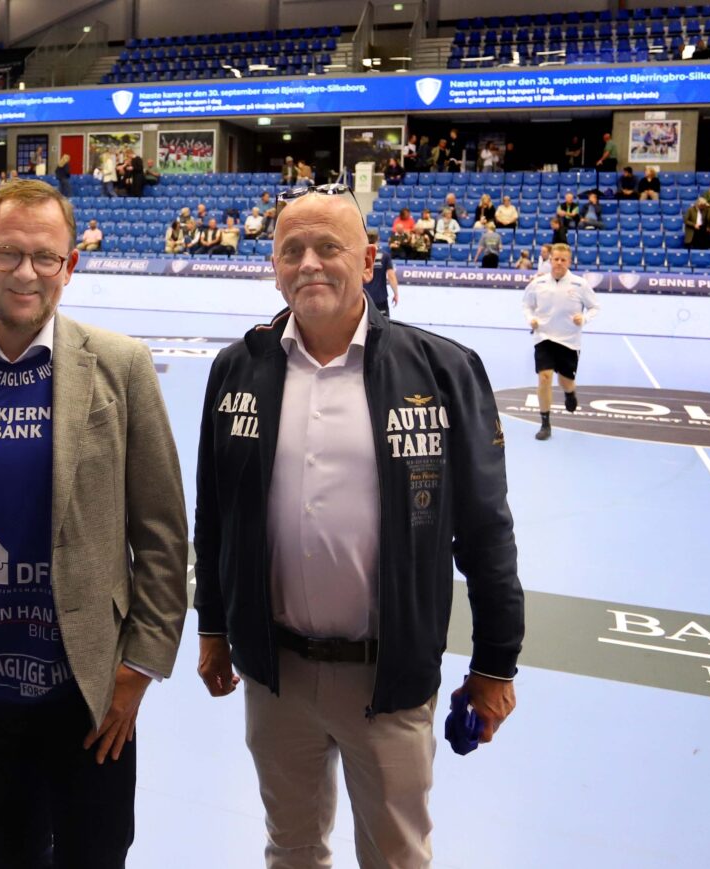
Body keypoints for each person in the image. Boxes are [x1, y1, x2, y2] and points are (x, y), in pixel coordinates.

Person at [192, 188, 523, 869]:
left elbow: (486, 530)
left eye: (328, 247)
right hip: (275, 675)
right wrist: (216, 627)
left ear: (368, 258)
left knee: (396, 857)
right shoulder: (237, 370)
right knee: (290, 849)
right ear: (275, 266)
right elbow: (216, 512)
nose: (309, 263)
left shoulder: (441, 369)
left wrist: (495, 662)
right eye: (292, 250)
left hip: (390, 676)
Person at [0, 178, 187, 869]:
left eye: (45, 257)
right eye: (9, 253)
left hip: (89, 689)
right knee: (12, 849)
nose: (26, 273)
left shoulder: (121, 366)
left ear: (69, 265)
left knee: (97, 851)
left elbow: (164, 535)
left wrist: (139, 665)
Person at [522, 243, 598, 440]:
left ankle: (570, 393)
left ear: (569, 261)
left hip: (569, 340)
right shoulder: (538, 283)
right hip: (544, 337)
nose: (559, 263)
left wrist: (584, 319)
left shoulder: (580, 284)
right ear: (551, 260)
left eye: (563, 260)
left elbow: (595, 307)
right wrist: (530, 319)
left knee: (565, 380)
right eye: (556, 259)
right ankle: (545, 423)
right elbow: (526, 305)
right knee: (545, 377)